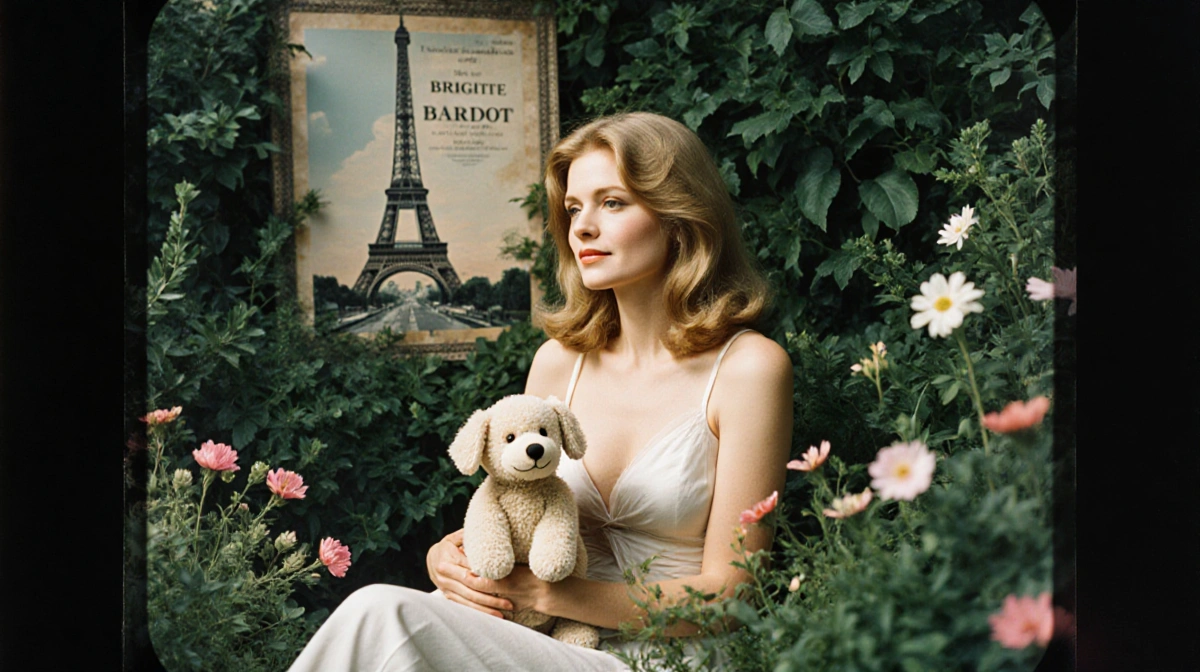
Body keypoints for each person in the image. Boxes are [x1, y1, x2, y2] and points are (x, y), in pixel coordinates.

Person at [287, 112, 793, 671]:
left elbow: (733, 592)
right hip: (543, 635)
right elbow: (514, 511)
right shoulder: (558, 363)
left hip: (665, 654)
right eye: (574, 208)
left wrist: (559, 596)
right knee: (379, 615)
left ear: (679, 219)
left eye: (613, 203)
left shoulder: (749, 369)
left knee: (382, 613)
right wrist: (444, 560)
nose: (582, 227)